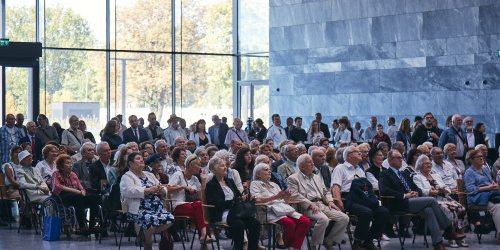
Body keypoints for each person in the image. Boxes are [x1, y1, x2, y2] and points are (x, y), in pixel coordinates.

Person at [379, 150, 463, 250]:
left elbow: (415, 188)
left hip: (411, 201)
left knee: (429, 211)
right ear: (389, 160)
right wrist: (405, 195)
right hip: (398, 203)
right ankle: (449, 229)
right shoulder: (385, 174)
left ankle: (438, 243)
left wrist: (416, 193)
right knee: (431, 200)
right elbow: (384, 190)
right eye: (398, 158)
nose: (401, 160)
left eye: (401, 158)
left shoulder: (403, 174)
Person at [331, 146, 389, 250]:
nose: (360, 154)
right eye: (357, 152)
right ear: (349, 156)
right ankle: (357, 242)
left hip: (362, 197)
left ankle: (369, 241)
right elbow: (336, 187)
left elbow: (366, 186)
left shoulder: (359, 169)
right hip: (348, 198)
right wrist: (338, 202)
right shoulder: (340, 168)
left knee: (383, 211)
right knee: (366, 212)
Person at [287, 154, 349, 250]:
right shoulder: (293, 178)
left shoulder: (316, 177)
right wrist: (310, 204)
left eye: (312, 161)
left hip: (321, 204)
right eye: (309, 162)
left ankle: (328, 240)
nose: (312, 164)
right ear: (302, 166)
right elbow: (294, 195)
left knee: (344, 218)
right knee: (323, 220)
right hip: (305, 206)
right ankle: (313, 244)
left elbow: (325, 191)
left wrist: (330, 201)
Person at [205, 156, 261, 250]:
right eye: (222, 166)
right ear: (214, 169)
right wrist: (235, 201)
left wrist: (245, 197)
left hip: (236, 211)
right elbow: (218, 203)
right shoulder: (211, 185)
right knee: (239, 224)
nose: (225, 167)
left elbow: (238, 195)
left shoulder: (230, 181)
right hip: (222, 213)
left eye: (225, 165)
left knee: (255, 223)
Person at [120, 152, 174, 250]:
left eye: (141, 158)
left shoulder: (149, 174)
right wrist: (148, 190)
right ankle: (148, 243)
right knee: (150, 220)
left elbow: (161, 186)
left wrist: (162, 190)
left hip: (157, 208)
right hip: (138, 208)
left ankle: (144, 236)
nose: (141, 160)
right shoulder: (127, 176)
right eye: (137, 158)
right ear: (130, 163)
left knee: (170, 219)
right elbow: (128, 191)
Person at [250, 163, 311, 250]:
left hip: (283, 209)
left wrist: (287, 197)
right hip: (268, 211)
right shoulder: (255, 184)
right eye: (266, 170)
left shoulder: (274, 184)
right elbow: (256, 200)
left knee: (305, 221)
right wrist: (276, 197)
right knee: (289, 223)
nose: (269, 171)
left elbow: (284, 201)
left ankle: (293, 246)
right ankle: (291, 245)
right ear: (258, 174)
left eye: (269, 169)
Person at [413, 155, 469, 248]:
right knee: (450, 211)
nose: (429, 165)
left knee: (461, 209)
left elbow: (447, 188)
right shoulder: (417, 177)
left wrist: (444, 190)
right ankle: (451, 237)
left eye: (429, 163)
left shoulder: (436, 175)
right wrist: (430, 191)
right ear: (420, 165)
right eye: (426, 163)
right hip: (432, 201)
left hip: (445, 199)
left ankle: (460, 236)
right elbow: (420, 191)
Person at [167, 155, 211, 243]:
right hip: (178, 206)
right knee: (200, 209)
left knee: (201, 208)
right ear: (191, 165)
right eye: (198, 165)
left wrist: (203, 180)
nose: (200, 167)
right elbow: (168, 189)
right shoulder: (178, 174)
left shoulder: (195, 179)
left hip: (193, 206)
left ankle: (204, 236)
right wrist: (183, 187)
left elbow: (201, 197)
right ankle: (205, 235)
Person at [463, 149, 500, 244]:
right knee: (498, 207)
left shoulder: (485, 169)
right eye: (478, 157)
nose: (482, 158)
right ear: (471, 160)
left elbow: (490, 181)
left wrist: (494, 185)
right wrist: (489, 187)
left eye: (482, 156)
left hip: (489, 195)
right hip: (476, 199)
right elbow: (470, 190)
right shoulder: (469, 172)